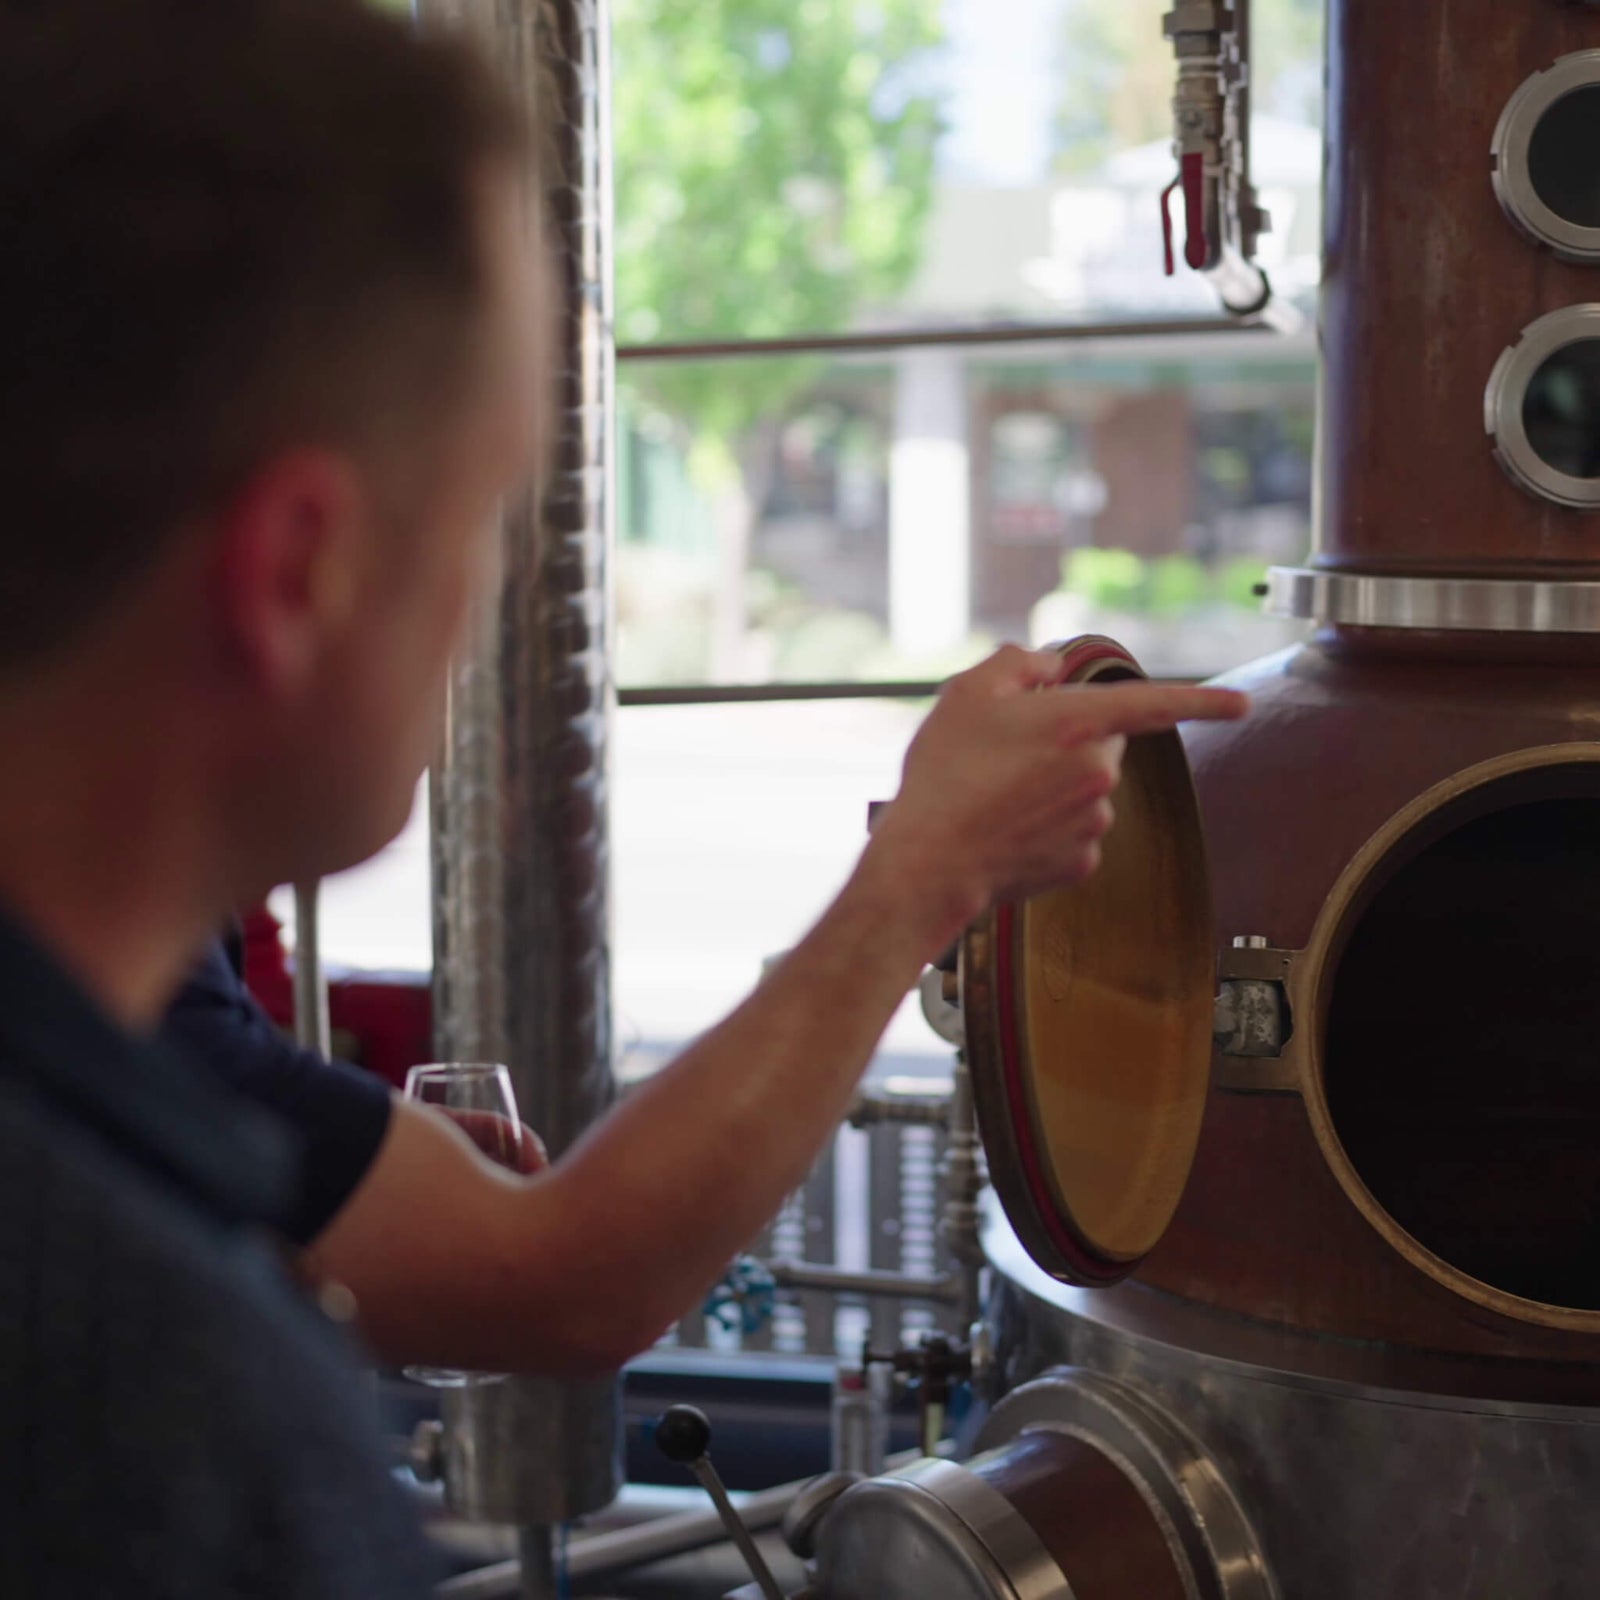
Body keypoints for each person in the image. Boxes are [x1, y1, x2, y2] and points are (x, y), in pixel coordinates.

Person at [0, 0, 1248, 1592]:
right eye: (482, 509)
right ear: (298, 572)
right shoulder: (173, 1434)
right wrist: (920, 877)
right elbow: (559, 1282)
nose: (483, 603)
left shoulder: (108, 1078)